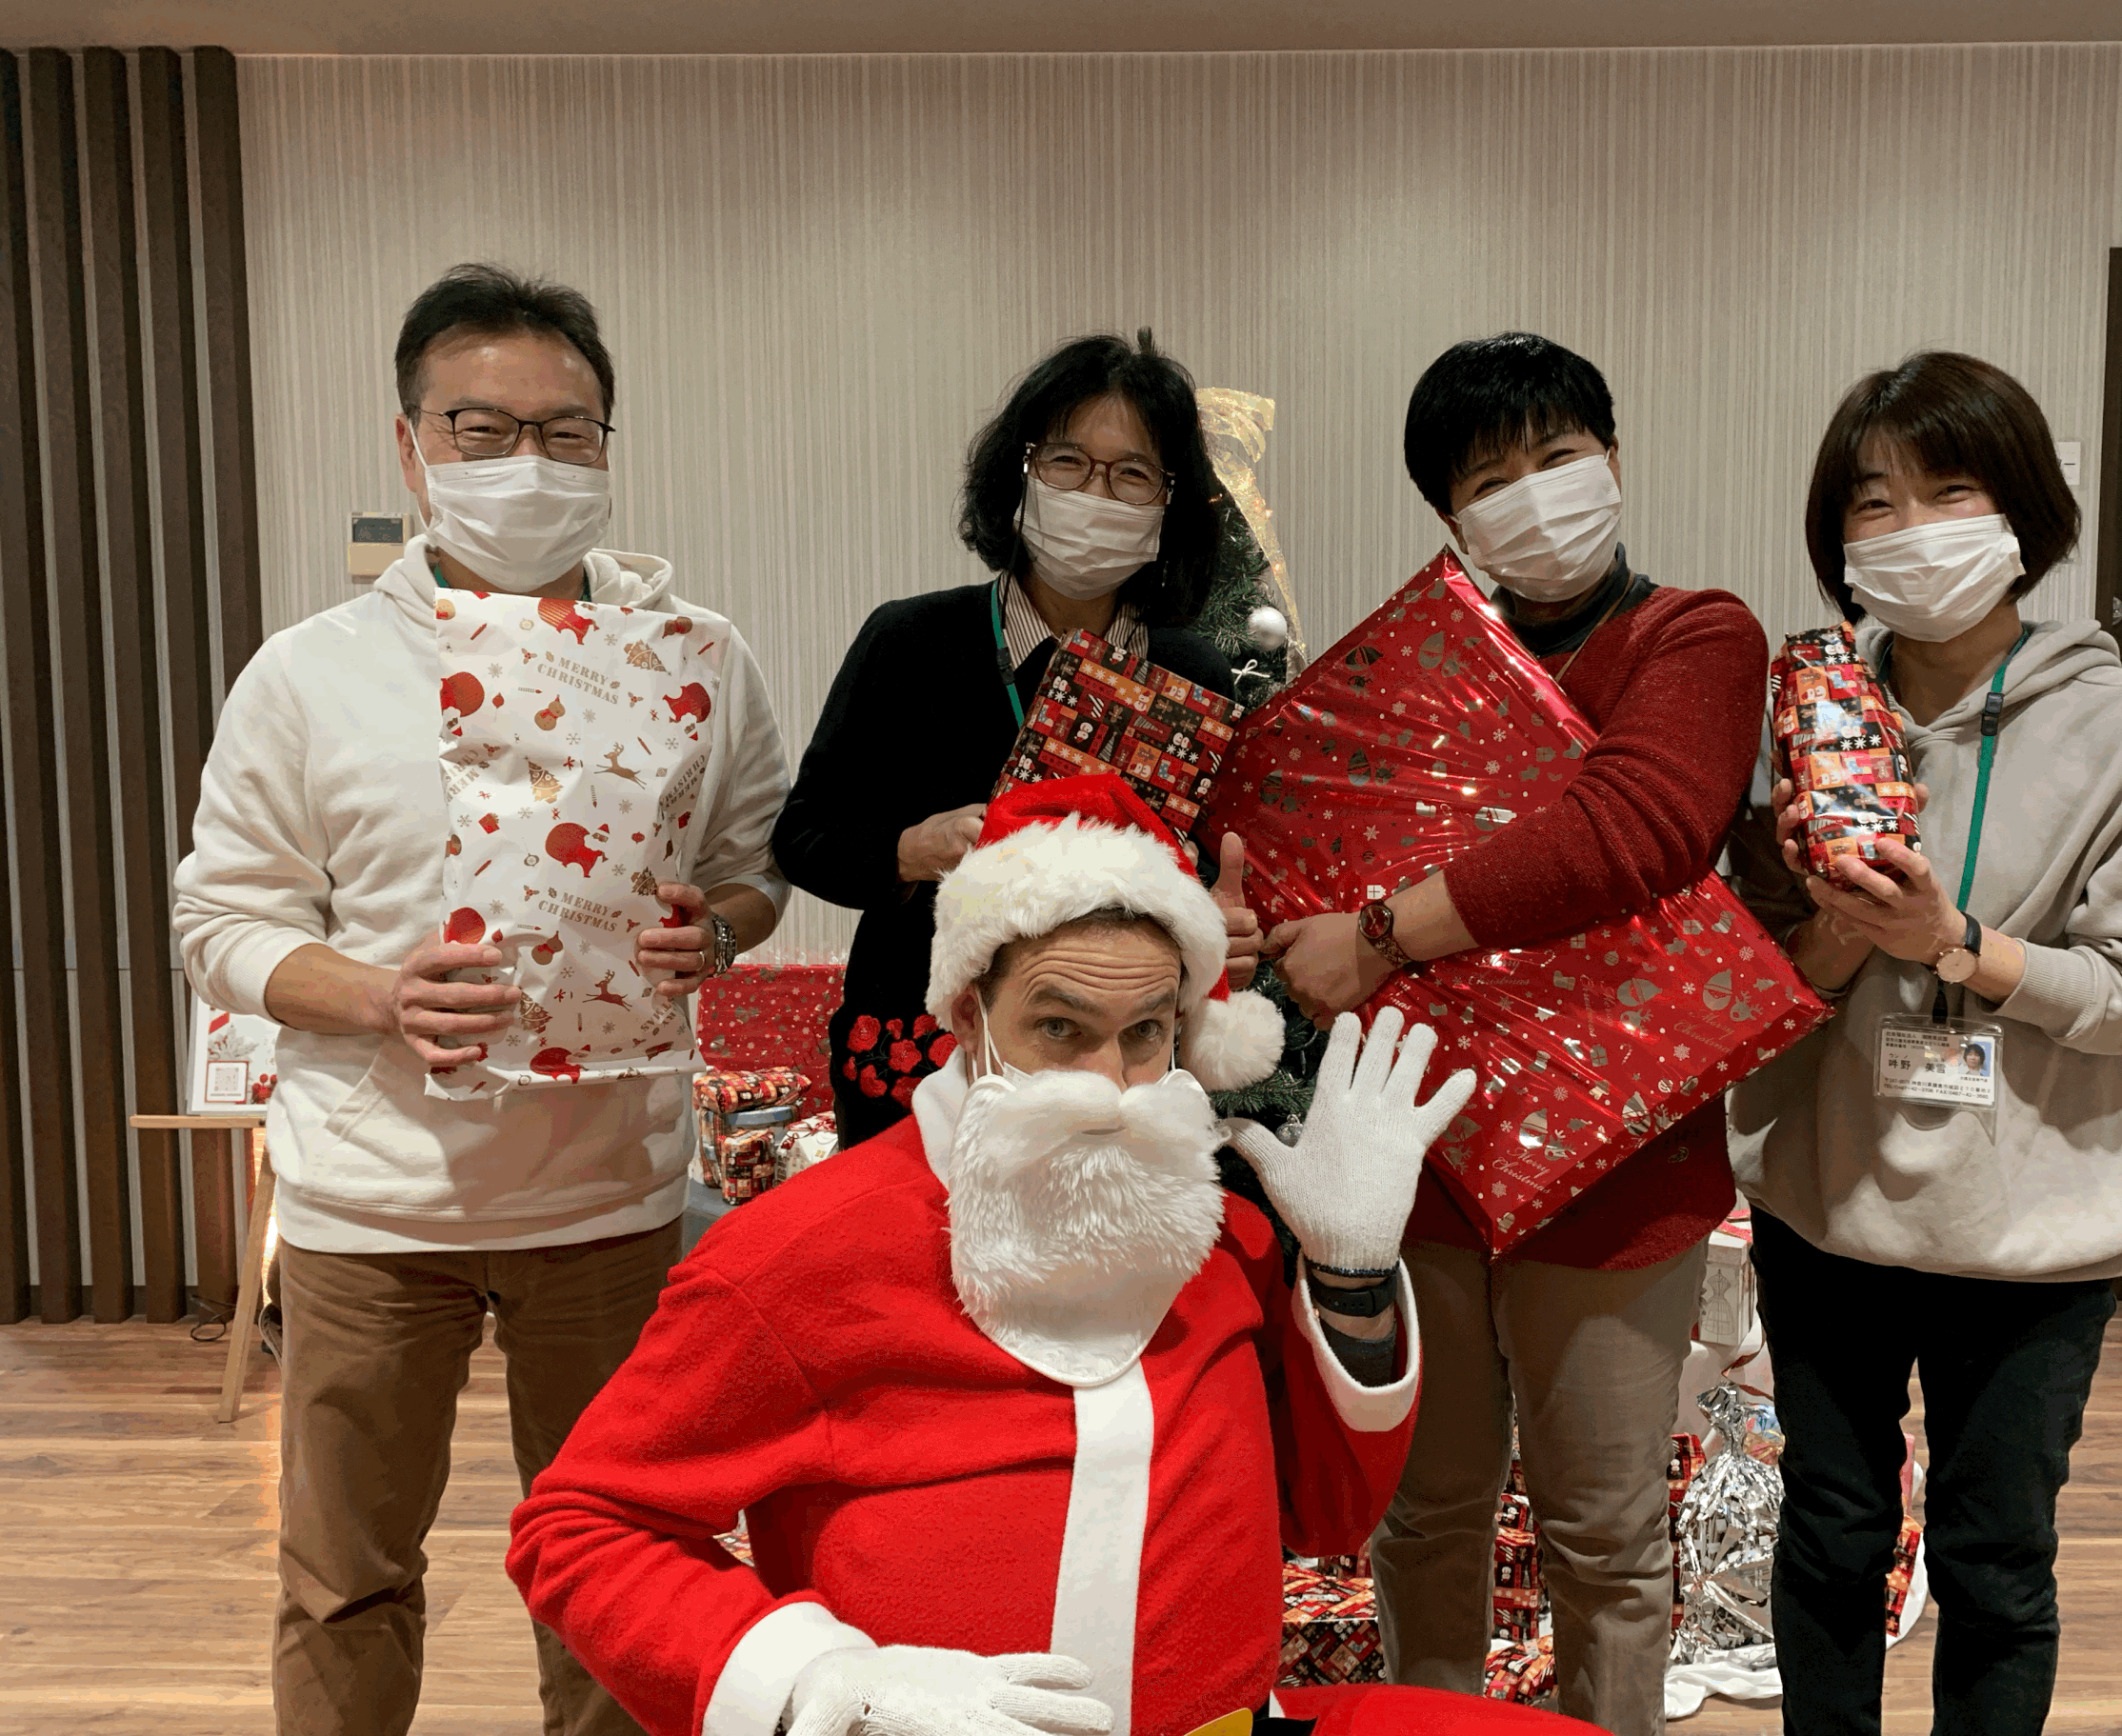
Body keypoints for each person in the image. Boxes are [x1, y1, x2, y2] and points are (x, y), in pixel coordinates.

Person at [506, 774, 1567, 1736]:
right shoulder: (797, 1254)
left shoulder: (1215, 1236)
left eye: (1146, 1033)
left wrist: (1348, 1275)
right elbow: (583, 1526)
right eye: (1059, 1028)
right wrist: (824, 1680)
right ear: (969, 1016)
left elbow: (1326, 1516)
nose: (1108, 1085)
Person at [171, 264, 792, 1736]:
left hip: (611, 1191)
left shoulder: (697, 659)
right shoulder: (309, 674)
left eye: (565, 431)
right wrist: (376, 992)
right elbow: (222, 917)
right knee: (346, 1577)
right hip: (373, 1202)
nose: (527, 462)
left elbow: (754, 864)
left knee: (619, 1565)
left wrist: (717, 930)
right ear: (411, 446)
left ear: (606, 445)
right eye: (481, 427)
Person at [1729, 349, 2122, 1735]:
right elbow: (1747, 977)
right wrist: (1843, 936)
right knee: (1830, 1530)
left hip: (2037, 1227)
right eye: (1874, 502)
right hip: (1827, 1199)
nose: (1910, 530)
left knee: (1996, 1557)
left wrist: (1956, 943)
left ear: (2023, 510)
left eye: (1949, 491)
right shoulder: (1805, 722)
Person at [1266, 333, 1771, 1736]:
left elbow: (1634, 830)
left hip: (1619, 1169)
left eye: (1558, 456)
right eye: (1492, 479)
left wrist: (1377, 933)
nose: (1534, 495)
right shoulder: (1412, 672)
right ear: (1448, 514)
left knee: (1604, 1535)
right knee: (1424, 1514)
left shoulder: (1693, 637)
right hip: (1418, 1154)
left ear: (1612, 456)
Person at [772, 331, 1263, 1145]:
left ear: (1169, 505)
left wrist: (1220, 927)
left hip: (1120, 1066)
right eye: (1068, 462)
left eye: (1133, 473)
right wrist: (908, 850)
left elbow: (1212, 868)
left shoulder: (1193, 674)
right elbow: (803, 837)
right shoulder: (911, 641)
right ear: (1020, 474)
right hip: (924, 1059)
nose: (1097, 493)